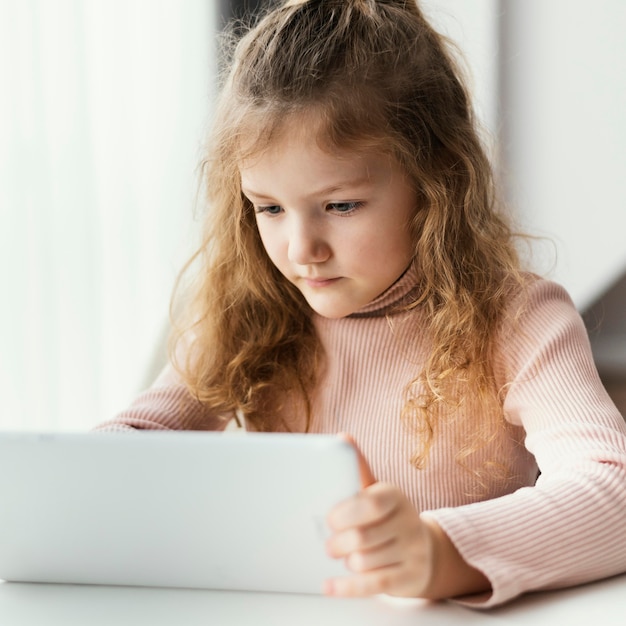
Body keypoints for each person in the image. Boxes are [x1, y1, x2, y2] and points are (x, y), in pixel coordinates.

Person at [96, 0, 626, 608]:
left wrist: (437, 552)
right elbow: (132, 445)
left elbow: (612, 489)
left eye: (341, 206)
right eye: (268, 208)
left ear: (436, 184)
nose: (302, 250)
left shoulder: (518, 319)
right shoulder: (246, 308)